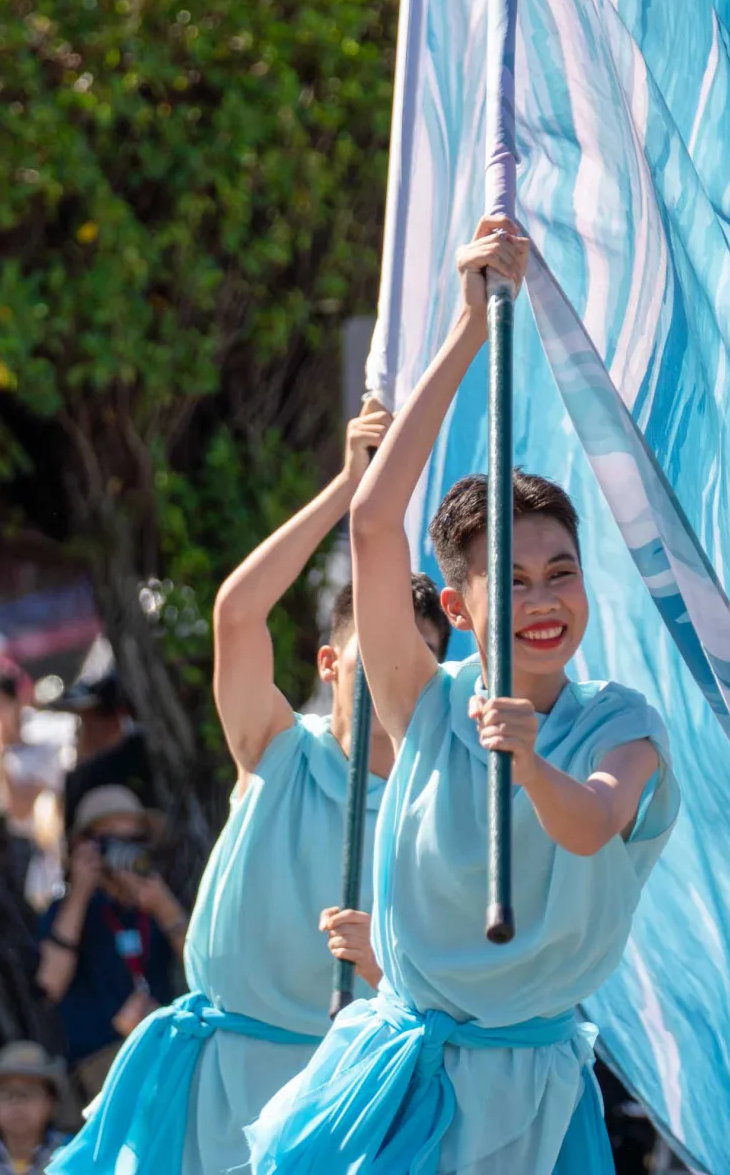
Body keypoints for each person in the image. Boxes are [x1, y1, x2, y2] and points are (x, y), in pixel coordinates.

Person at [248, 218, 680, 1175]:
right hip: (403, 1085)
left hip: (530, 1099)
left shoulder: (622, 724)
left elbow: (593, 823)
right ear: (459, 606)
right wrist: (471, 329)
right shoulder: (428, 703)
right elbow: (372, 527)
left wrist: (527, 761)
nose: (544, 600)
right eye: (513, 581)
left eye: (561, 572)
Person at [53, 412, 452, 1173]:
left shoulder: (438, 798)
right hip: (224, 1083)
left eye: (418, 656)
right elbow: (238, 613)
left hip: (347, 1095)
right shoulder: (277, 748)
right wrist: (344, 490)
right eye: (380, 648)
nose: (398, 668)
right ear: (331, 663)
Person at [34, 787, 184, 1105]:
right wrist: (80, 891)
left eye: (133, 841)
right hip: (102, 1059)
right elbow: (50, 984)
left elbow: (204, 960)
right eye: (111, 843)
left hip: (166, 1042)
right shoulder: (67, 911)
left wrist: (162, 904)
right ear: (84, 846)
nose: (123, 853)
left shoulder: (157, 899)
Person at [47, 653, 153, 837]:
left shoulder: (147, 759)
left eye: (93, 718)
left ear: (119, 716)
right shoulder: (78, 777)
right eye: (81, 720)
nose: (81, 731)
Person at [0, 1042, 72, 1175]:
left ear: (51, 1103)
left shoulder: (72, 1152)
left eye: (30, 1093)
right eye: (6, 1094)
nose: (18, 1104)